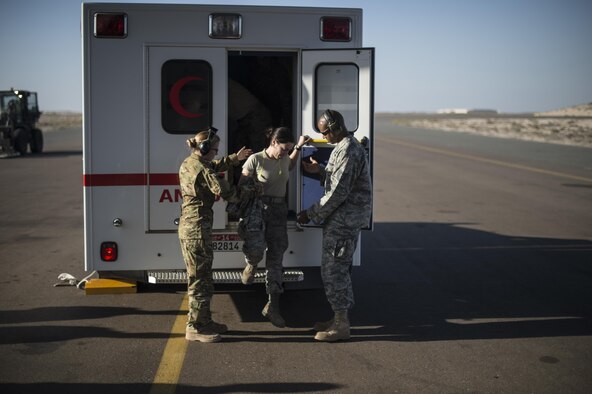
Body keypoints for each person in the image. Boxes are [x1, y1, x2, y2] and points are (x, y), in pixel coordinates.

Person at [297, 109, 372, 342]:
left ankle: (341, 325)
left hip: (345, 219)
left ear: (337, 127)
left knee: (334, 271)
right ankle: (337, 318)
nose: (324, 137)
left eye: (326, 132)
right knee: (334, 269)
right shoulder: (342, 148)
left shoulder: (349, 150)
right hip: (341, 218)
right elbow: (337, 178)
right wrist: (318, 170)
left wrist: (310, 214)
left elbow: (338, 192)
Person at [178, 126, 255, 343]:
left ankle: (204, 321)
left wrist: (233, 159)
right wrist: (254, 190)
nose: (216, 154)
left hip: (192, 227)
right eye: (214, 150)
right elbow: (229, 193)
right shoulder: (204, 170)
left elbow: (212, 164)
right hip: (197, 230)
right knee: (200, 280)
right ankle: (195, 327)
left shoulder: (190, 162)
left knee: (202, 278)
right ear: (204, 148)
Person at [239, 127, 310, 327]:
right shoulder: (256, 159)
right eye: (283, 148)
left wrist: (297, 147)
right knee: (256, 250)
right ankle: (251, 265)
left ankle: (273, 306)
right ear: (273, 143)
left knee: (276, 257)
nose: (285, 152)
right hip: (258, 209)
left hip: (278, 211)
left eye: (288, 149)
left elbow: (291, 164)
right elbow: (241, 184)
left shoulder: (285, 158)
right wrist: (253, 188)